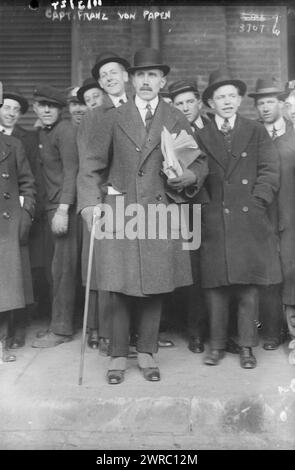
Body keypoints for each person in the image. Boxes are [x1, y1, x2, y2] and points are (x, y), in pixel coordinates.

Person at [78, 47, 208, 384]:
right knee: (119, 286)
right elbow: (91, 165)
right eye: (140, 75)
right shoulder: (112, 117)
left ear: (162, 81)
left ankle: (148, 351)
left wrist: (188, 176)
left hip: (159, 213)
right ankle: (119, 355)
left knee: (155, 284)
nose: (146, 81)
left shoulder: (173, 116)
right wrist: (91, 204)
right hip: (120, 211)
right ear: (129, 79)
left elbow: (198, 161)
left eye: (153, 75)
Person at [196, 68, 282, 369]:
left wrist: (257, 201)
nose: (228, 101)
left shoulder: (255, 131)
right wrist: (207, 206)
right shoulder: (201, 134)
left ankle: (247, 346)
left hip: (248, 219)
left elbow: (270, 170)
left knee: (248, 286)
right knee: (216, 286)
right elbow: (194, 175)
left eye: (232, 95)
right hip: (215, 220)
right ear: (210, 103)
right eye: (221, 96)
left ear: (240, 99)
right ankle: (217, 346)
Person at [31, 85, 79, 348]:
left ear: (61, 110)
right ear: (36, 108)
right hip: (49, 208)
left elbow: (72, 172)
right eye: (42, 105)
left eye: (52, 106)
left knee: (63, 271)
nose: (47, 110)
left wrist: (63, 209)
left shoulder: (66, 131)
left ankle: (61, 330)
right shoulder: (45, 132)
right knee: (53, 271)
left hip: (63, 208)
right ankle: (56, 323)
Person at [0, 87, 47, 348]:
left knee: (11, 283)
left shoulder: (18, 142)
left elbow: (29, 183)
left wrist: (26, 212)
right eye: (6, 107)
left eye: (16, 109)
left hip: (9, 221)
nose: (11, 113)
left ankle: (11, 334)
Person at [167, 79, 209, 353]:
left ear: (200, 102)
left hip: (215, 208)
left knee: (213, 273)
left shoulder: (215, 128)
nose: (185, 108)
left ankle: (215, 330)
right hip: (184, 208)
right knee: (191, 269)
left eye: (189, 102)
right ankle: (193, 330)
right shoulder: (173, 132)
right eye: (178, 104)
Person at [249, 77, 289, 350]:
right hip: (262, 214)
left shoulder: (294, 134)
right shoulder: (252, 135)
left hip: (291, 214)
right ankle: (271, 331)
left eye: (270, 102)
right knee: (267, 274)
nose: (265, 108)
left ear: (281, 104)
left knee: (291, 272)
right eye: (260, 103)